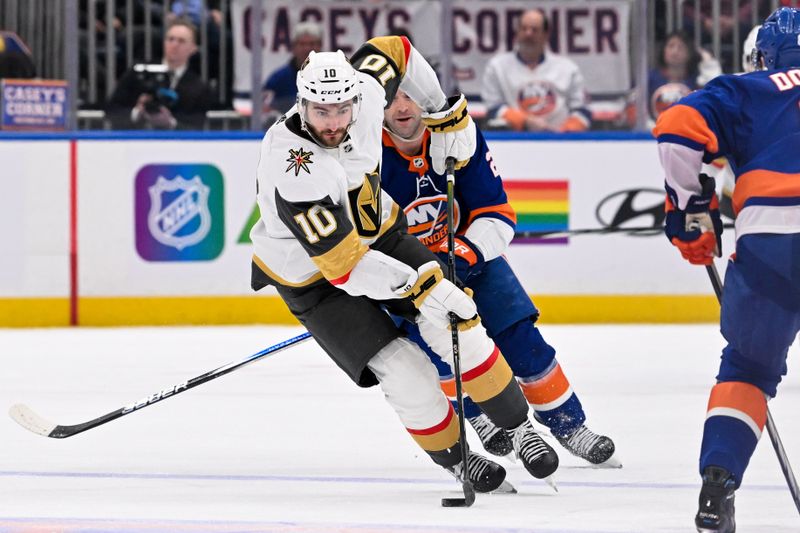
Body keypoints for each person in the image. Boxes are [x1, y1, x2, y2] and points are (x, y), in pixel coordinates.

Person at [249, 36, 560, 493]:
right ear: (302, 104)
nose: (332, 123)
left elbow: (396, 48)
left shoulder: (369, 95)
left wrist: (444, 113)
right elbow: (345, 267)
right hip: (318, 278)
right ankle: (459, 460)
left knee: (458, 316)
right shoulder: (293, 168)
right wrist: (419, 286)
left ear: (356, 96)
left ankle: (519, 427)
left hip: (380, 232)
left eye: (340, 110)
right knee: (406, 371)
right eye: (320, 112)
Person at [380, 89, 618, 465]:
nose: (404, 108)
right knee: (446, 357)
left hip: (473, 260)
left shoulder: (456, 135)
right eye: (392, 100)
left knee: (523, 341)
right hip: (412, 282)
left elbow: (496, 211)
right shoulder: (362, 158)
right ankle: (482, 416)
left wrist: (462, 253)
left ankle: (568, 423)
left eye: (411, 96)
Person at [653, 7, 800, 531]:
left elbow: (675, 126)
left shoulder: (749, 89)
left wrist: (688, 210)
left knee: (749, 370)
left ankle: (718, 483)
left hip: (772, 245)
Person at [481, 8, 590, 132]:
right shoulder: (497, 66)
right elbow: (493, 108)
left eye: (534, 30)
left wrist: (564, 133)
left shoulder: (568, 68)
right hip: (514, 141)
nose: (528, 34)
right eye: (524, 28)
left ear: (546, 34)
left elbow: (583, 111)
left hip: (560, 141)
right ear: (517, 32)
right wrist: (525, 121)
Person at [106, 17, 212, 130]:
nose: (174, 45)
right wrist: (136, 112)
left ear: (193, 48)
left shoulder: (199, 87)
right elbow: (111, 110)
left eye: (181, 41)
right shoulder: (139, 71)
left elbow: (197, 128)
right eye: (170, 39)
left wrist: (171, 123)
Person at [648, 31, 721, 125]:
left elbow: (716, 97)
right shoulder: (650, 78)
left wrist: (707, 61)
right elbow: (636, 109)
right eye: (671, 46)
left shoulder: (697, 79)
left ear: (689, 53)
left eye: (680, 47)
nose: (675, 51)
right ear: (663, 50)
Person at [262, 21, 323, 115]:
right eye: (302, 44)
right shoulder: (277, 79)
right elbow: (263, 111)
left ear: (320, 46)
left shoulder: (334, 76)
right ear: (293, 47)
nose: (307, 49)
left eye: (312, 44)